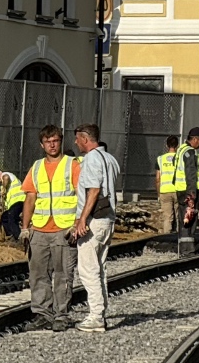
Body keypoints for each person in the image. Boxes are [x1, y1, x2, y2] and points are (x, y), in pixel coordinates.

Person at [19, 124, 80, 332]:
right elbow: (30, 198)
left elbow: (81, 195)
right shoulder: (36, 167)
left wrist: (77, 223)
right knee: (38, 274)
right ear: (42, 144)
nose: (52, 145)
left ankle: (61, 314)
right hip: (40, 229)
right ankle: (42, 314)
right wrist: (25, 227)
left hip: (63, 230)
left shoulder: (72, 164)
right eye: (48, 142)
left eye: (55, 141)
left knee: (63, 275)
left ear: (60, 141)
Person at [71, 123, 119, 333]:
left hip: (94, 220)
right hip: (108, 219)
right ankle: (100, 310)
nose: (75, 142)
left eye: (77, 138)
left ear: (85, 138)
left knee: (88, 269)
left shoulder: (91, 159)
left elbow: (93, 191)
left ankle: (96, 316)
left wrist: (82, 219)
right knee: (100, 267)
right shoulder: (110, 159)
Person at [174, 128, 199, 237]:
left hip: (180, 189)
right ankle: (188, 250)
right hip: (189, 191)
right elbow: (191, 175)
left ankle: (183, 247)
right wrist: (191, 196)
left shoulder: (181, 149)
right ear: (195, 139)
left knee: (184, 218)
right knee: (189, 219)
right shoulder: (190, 152)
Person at [155, 136, 180, 235]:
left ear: (166, 145)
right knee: (178, 216)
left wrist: (158, 194)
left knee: (167, 217)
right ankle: (179, 237)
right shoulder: (180, 158)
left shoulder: (160, 159)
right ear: (177, 146)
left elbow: (157, 179)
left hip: (165, 190)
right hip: (178, 190)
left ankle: (167, 237)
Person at [0, 171, 26, 242]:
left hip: (20, 200)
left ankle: (18, 238)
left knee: (11, 216)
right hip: (14, 204)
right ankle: (10, 236)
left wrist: (4, 188)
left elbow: (6, 177)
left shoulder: (5, 175)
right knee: (4, 217)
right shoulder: (4, 184)